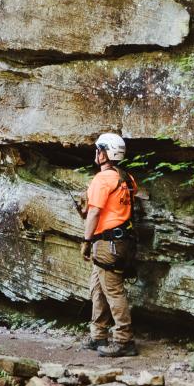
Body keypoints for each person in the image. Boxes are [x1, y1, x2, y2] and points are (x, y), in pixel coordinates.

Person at [78, 130, 138, 357]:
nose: (96, 153)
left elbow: (94, 213)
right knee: (98, 288)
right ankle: (98, 335)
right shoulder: (127, 179)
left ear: (104, 154)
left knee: (112, 290)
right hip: (124, 242)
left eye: (98, 149)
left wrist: (86, 241)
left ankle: (124, 341)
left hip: (107, 243)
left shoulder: (102, 179)